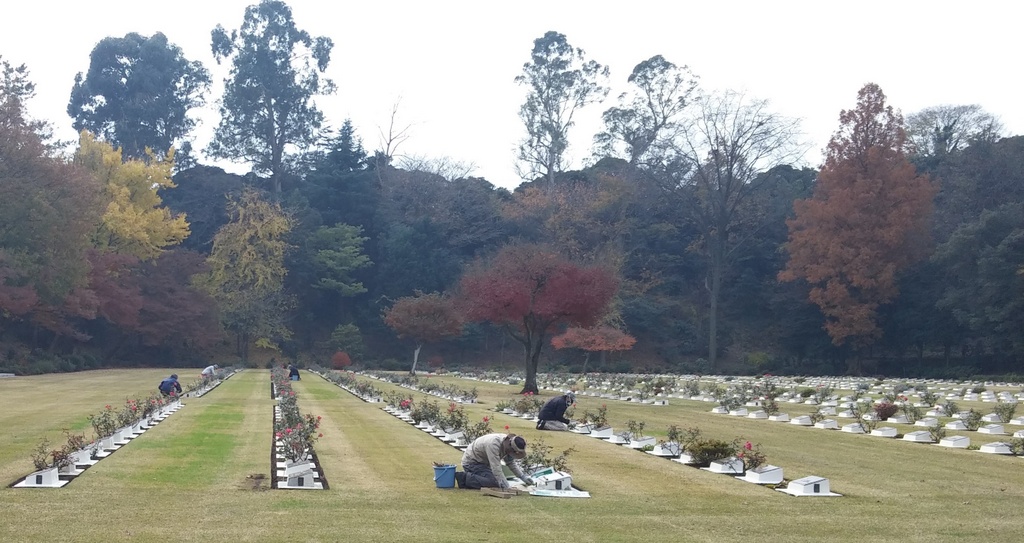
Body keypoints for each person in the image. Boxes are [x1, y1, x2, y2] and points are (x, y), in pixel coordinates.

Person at [456, 433, 533, 490]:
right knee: (495, 482)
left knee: (498, 481)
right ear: (510, 447)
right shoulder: (493, 444)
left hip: (483, 464)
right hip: (472, 463)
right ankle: (464, 478)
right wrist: (506, 486)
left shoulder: (508, 444)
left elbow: (510, 462)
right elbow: (496, 468)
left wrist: (522, 476)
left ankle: (472, 477)